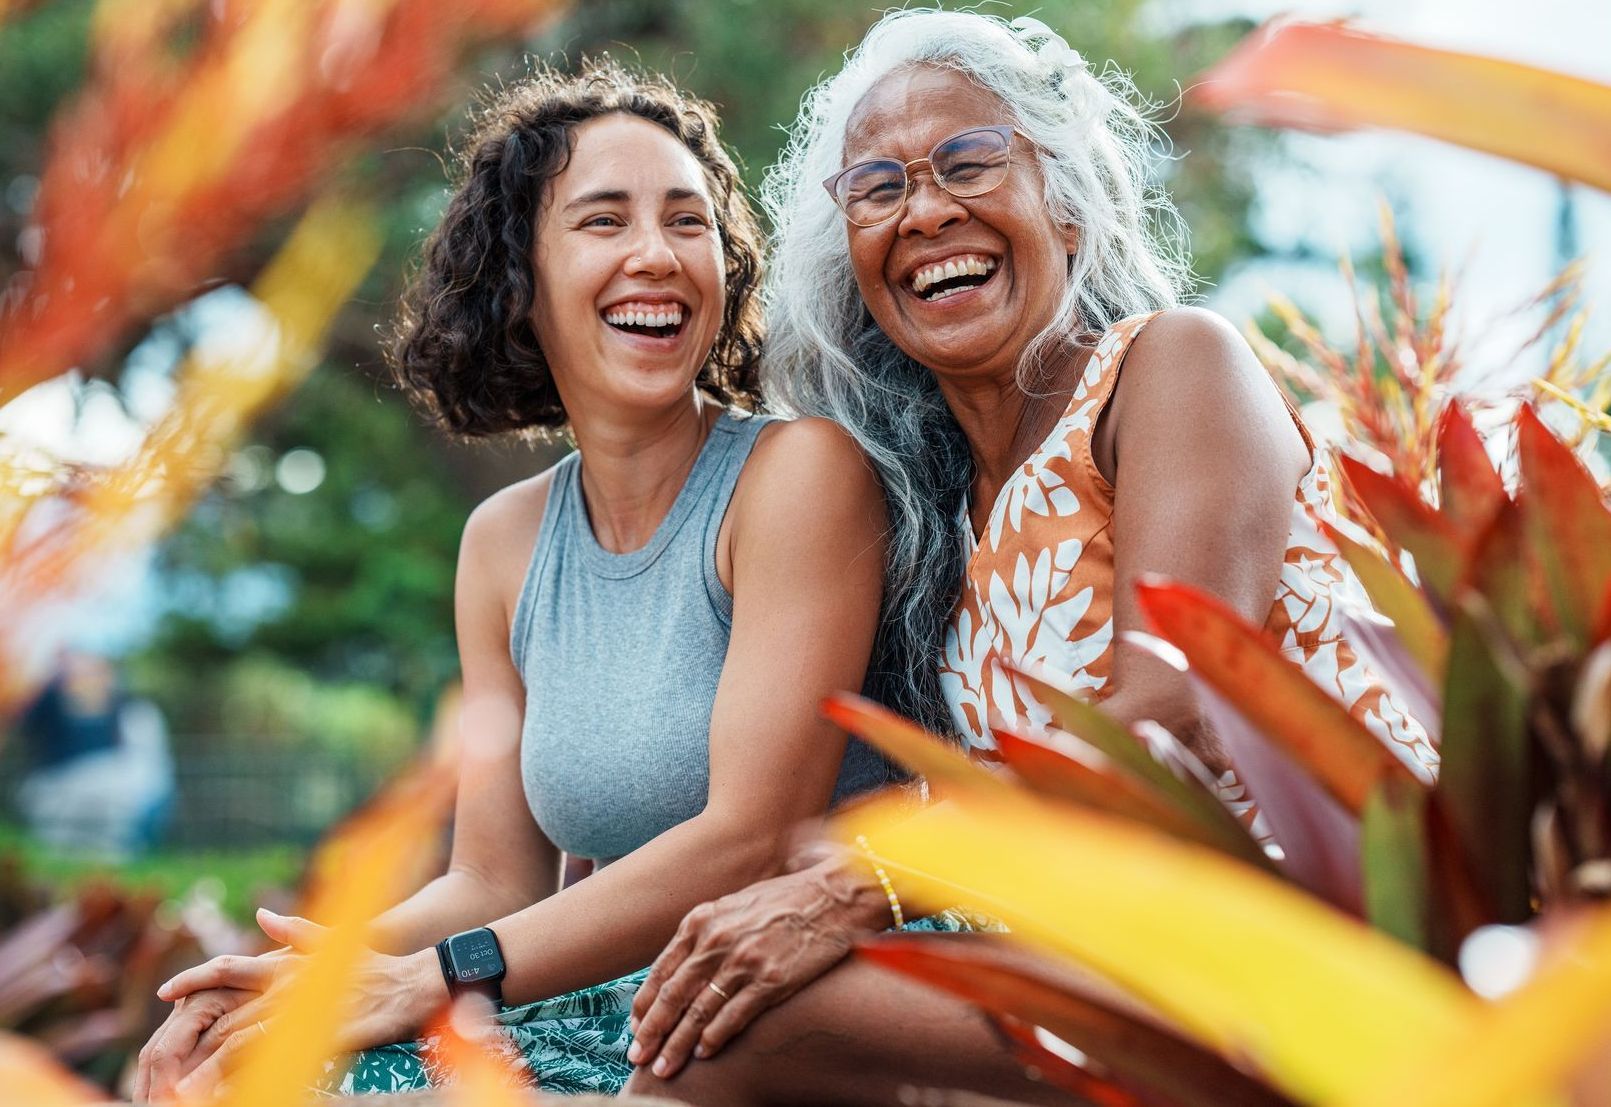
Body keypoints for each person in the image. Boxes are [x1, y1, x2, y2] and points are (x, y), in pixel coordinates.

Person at [625, 11, 1437, 1103]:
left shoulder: (1173, 367)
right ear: (848, 249)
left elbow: (1163, 714)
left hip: (1311, 951)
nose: (926, 211)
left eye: (969, 162)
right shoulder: (937, 513)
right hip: (1110, 959)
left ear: (1065, 197)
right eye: (879, 188)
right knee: (714, 1001)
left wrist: (850, 889)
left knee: (748, 1028)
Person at [132, 59, 904, 1100]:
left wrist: (434, 975)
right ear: (520, 279)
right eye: (603, 222)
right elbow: (492, 879)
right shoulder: (503, 542)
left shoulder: (798, 476)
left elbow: (750, 838)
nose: (656, 256)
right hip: (608, 1014)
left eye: (688, 221)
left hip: (776, 1018)